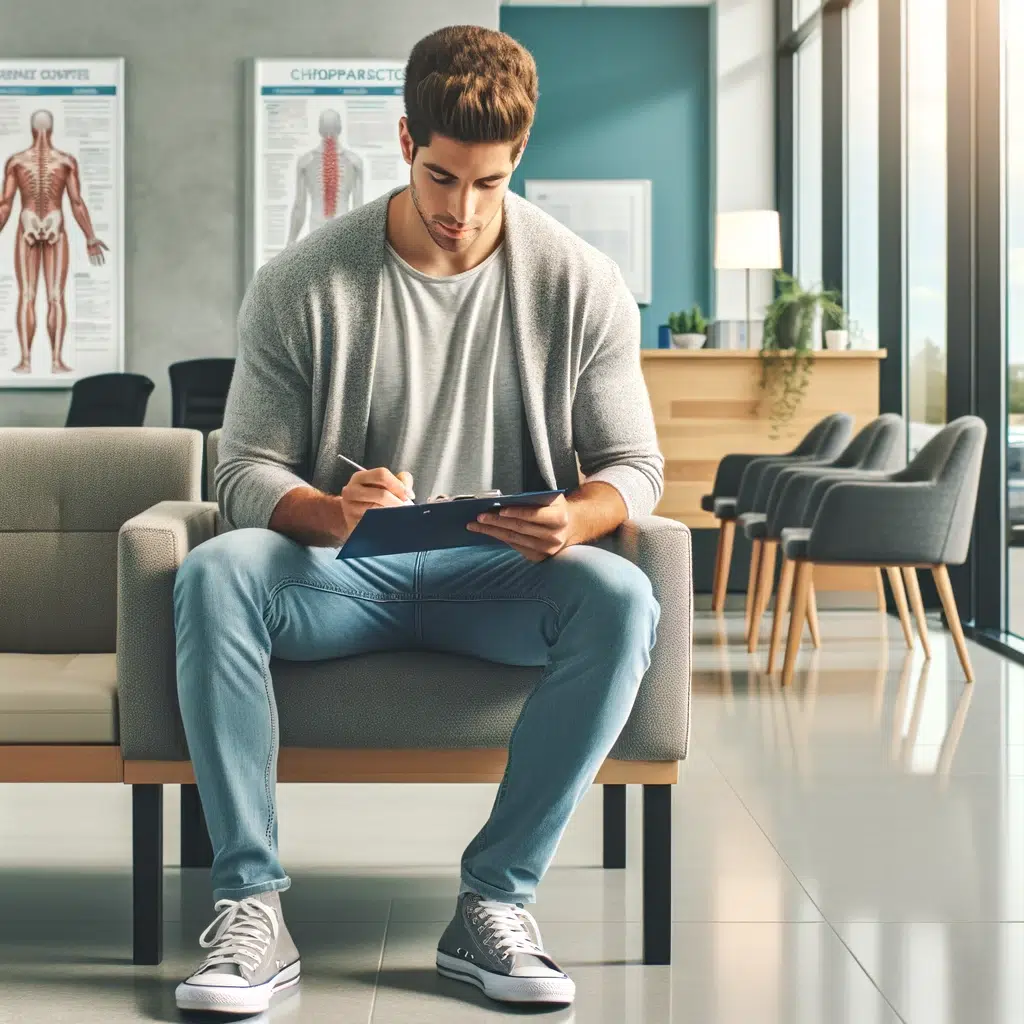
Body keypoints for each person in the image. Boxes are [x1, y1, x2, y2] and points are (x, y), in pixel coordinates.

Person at [173, 24, 664, 1016]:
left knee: (622, 596)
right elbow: (237, 470)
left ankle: (493, 901)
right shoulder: (302, 282)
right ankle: (251, 906)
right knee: (213, 573)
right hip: (342, 573)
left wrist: (579, 515)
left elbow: (636, 467)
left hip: (498, 575)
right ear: (404, 141)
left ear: (518, 158)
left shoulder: (579, 282)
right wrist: (324, 508)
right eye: (442, 178)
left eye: (487, 184)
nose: (461, 210)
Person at [0, 109, 109, 375]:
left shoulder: (16, 161)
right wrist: (90, 237)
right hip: (54, 224)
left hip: (27, 225)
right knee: (55, 297)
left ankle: (26, 362)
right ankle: (55, 362)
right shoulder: (65, 161)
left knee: (27, 295)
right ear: (52, 129)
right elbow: (76, 202)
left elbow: (5, 204)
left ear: (31, 127)